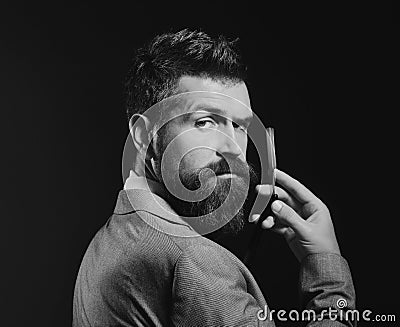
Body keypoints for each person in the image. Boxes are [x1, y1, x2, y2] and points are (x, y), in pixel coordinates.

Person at [73, 29, 356, 326]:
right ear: (145, 135)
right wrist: (326, 267)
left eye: (240, 126)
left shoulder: (107, 240)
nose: (234, 148)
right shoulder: (196, 262)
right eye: (205, 122)